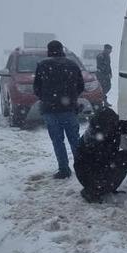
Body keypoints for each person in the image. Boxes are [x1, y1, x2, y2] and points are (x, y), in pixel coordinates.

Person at [33, 40, 85, 179]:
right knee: (75, 140)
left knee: (57, 141)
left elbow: (36, 88)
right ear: (62, 50)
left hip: (50, 110)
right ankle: (82, 167)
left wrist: (47, 98)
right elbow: (81, 86)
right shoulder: (72, 65)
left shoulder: (42, 65)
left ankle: (64, 169)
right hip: (69, 109)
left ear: (49, 51)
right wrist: (71, 98)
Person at [74, 107, 127, 202]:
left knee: (122, 159)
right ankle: (92, 191)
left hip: (99, 167)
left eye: (115, 122)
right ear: (105, 124)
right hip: (88, 173)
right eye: (112, 123)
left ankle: (105, 187)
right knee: (122, 159)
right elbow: (108, 158)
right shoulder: (94, 139)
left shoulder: (108, 127)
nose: (115, 125)